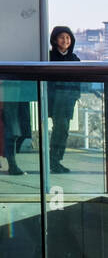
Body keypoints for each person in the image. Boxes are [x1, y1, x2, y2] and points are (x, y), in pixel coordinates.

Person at [48, 26, 80, 174]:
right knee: (59, 129)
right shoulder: (48, 57)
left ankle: (56, 161)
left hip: (68, 100)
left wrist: (75, 97)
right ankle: (53, 161)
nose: (65, 40)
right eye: (62, 37)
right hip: (54, 99)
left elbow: (79, 81)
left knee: (64, 130)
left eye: (68, 38)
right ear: (55, 39)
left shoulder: (74, 59)